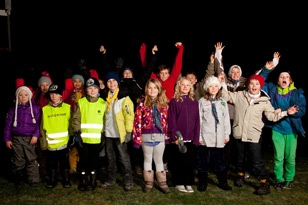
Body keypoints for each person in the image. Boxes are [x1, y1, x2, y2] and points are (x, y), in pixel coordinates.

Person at [221, 74, 298, 195]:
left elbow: (272, 116)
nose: (254, 86)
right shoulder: (240, 95)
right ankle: (239, 176)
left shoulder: (264, 101)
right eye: (252, 83)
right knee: (239, 157)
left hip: (254, 135)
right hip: (239, 132)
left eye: (257, 84)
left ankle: (264, 183)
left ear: (260, 86)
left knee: (256, 160)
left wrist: (285, 113)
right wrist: (220, 83)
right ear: (248, 85)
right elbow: (225, 95)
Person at [259, 64, 306, 191]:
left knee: (290, 157)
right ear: (278, 80)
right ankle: (279, 179)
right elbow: (260, 82)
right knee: (278, 157)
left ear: (290, 80)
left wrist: (283, 109)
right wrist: (267, 69)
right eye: (281, 76)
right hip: (277, 128)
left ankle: (289, 179)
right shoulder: (273, 90)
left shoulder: (297, 93)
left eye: (286, 77)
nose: (284, 78)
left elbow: (301, 110)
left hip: (291, 130)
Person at [133, 78, 171, 194]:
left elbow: (168, 121)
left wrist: (168, 135)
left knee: (159, 159)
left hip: (160, 136)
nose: (152, 90)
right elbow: (137, 122)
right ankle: (148, 182)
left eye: (155, 88)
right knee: (147, 159)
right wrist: (137, 138)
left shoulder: (164, 105)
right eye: (150, 88)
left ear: (159, 89)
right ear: (146, 90)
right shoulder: (141, 104)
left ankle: (162, 182)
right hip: (146, 136)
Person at [100, 72, 134, 191]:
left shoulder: (124, 97)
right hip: (108, 133)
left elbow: (129, 116)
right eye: (109, 81)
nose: (112, 83)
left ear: (118, 82)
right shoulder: (105, 97)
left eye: (114, 81)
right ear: (106, 84)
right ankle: (110, 179)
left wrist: (129, 131)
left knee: (123, 157)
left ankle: (128, 180)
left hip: (120, 134)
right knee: (110, 157)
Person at [198, 76, 232, 192]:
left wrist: (227, 135)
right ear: (207, 88)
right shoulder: (202, 102)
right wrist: (199, 137)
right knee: (204, 162)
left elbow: (226, 119)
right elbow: (199, 120)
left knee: (220, 162)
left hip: (219, 137)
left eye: (216, 86)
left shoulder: (222, 102)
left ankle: (223, 182)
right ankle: (203, 183)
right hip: (206, 137)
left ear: (219, 88)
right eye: (211, 86)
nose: (213, 88)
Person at [71, 77, 106, 191]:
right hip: (83, 139)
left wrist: (103, 134)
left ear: (98, 89)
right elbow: (76, 119)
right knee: (83, 160)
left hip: (97, 139)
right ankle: (83, 180)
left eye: (94, 88)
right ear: (86, 90)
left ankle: (93, 180)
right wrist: (77, 133)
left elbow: (105, 120)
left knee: (94, 161)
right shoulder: (81, 102)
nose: (92, 91)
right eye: (90, 88)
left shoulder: (103, 103)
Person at [3, 86, 41, 188]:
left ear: (30, 96)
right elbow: (7, 125)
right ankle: (19, 179)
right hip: (16, 139)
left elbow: (38, 124)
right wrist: (7, 139)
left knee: (31, 159)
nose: (23, 97)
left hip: (30, 138)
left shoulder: (36, 108)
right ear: (17, 96)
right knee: (18, 159)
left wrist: (35, 136)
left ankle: (33, 179)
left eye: (26, 95)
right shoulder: (13, 109)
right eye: (20, 95)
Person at [168, 77, 200, 193]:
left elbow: (197, 121)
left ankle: (188, 182)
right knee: (178, 161)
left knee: (189, 162)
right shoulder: (174, 101)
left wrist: (196, 138)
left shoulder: (194, 102)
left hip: (190, 138)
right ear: (178, 87)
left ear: (191, 87)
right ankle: (178, 182)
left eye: (188, 85)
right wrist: (174, 136)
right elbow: (171, 121)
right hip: (179, 138)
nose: (185, 87)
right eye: (183, 85)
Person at [40, 83, 72, 189]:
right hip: (51, 143)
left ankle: (66, 179)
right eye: (52, 94)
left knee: (64, 163)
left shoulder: (67, 108)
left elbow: (71, 125)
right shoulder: (45, 109)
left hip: (64, 143)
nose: (54, 96)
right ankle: (52, 180)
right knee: (52, 164)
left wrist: (71, 140)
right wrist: (44, 143)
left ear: (61, 95)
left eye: (56, 94)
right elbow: (42, 128)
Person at [64, 74, 85, 174]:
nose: (77, 83)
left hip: (82, 123)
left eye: (79, 81)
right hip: (71, 123)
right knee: (72, 147)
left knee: (81, 146)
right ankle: (73, 166)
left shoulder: (85, 93)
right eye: (75, 81)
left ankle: (80, 165)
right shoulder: (69, 94)